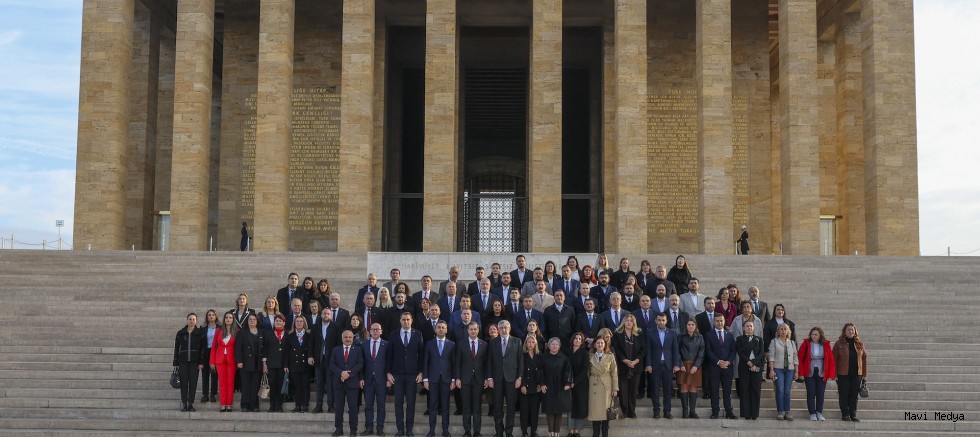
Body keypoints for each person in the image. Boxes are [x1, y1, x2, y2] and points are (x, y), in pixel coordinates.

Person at [389, 311, 424, 437]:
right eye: (404, 319)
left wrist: (421, 372)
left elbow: (421, 355)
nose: (406, 321)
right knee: (398, 403)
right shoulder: (393, 334)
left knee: (411, 403)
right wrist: (388, 372)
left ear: (411, 320)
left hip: (412, 374)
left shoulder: (418, 334)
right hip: (397, 374)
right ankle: (400, 429)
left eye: (408, 319)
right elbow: (390, 355)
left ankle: (409, 429)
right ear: (400, 320)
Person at [489, 320, 523, 437]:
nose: (504, 329)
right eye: (501, 328)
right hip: (497, 379)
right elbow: (489, 361)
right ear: (498, 330)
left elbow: (520, 361)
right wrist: (489, 378)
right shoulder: (493, 342)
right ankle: (499, 432)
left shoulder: (517, 341)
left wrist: (519, 377)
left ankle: (509, 432)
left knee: (511, 407)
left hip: (512, 379)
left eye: (506, 327)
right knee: (497, 407)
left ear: (509, 329)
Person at [455, 322, 489, 437]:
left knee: (477, 407)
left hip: (479, 380)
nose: (473, 331)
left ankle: (477, 431)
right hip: (464, 380)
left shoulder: (484, 344)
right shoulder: (461, 344)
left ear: (478, 330)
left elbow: (486, 364)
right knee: (466, 406)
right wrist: (457, 378)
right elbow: (458, 362)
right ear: (467, 330)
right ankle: (467, 431)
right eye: (471, 329)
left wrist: (486, 378)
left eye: (475, 329)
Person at [423, 320, 456, 437]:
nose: (441, 329)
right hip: (433, 379)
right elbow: (425, 362)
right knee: (432, 406)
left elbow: (454, 363)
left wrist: (453, 379)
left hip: (447, 380)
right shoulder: (429, 344)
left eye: (443, 327)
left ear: (446, 330)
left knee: (446, 406)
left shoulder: (452, 345)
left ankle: (445, 430)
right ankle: (431, 430)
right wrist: (425, 379)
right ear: (435, 329)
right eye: (439, 327)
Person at [644, 313, 680, 419]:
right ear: (656, 321)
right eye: (659, 320)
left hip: (668, 365)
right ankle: (656, 411)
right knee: (655, 390)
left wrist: (676, 364)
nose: (661, 322)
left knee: (668, 390)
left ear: (666, 321)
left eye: (663, 320)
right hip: (655, 365)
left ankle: (667, 411)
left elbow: (675, 350)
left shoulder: (672, 333)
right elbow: (648, 350)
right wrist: (648, 364)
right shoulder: (650, 333)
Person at [798, 327, 836, 421]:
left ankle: (819, 412)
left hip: (822, 372)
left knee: (820, 393)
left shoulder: (825, 345)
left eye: (816, 334)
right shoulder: (806, 344)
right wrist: (801, 373)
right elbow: (800, 358)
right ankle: (812, 413)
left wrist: (831, 374)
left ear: (820, 335)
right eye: (812, 334)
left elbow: (831, 360)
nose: (814, 336)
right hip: (809, 371)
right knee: (811, 393)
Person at [612, 313, 645, 418]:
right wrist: (624, 360)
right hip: (622, 366)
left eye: (631, 321)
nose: (629, 322)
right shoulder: (617, 333)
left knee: (633, 390)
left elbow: (643, 350)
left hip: (636, 366)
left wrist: (636, 361)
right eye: (627, 320)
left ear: (634, 323)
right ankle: (625, 411)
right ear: (624, 322)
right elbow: (615, 349)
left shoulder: (639, 334)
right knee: (623, 390)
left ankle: (632, 411)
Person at [332, 331, 365, 436]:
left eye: (350, 337)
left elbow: (360, 364)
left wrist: (349, 374)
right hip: (338, 382)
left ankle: (353, 430)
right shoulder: (336, 350)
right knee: (339, 407)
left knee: (353, 408)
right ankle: (338, 429)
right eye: (345, 337)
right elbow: (331, 364)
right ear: (342, 338)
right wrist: (341, 373)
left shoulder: (358, 350)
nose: (348, 339)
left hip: (353, 383)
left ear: (352, 338)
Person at [833, 323, 867, 422]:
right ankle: (845, 414)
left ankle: (853, 414)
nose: (851, 331)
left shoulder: (860, 344)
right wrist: (834, 375)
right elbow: (834, 360)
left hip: (857, 374)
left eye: (852, 330)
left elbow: (864, 359)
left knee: (854, 395)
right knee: (844, 394)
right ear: (844, 331)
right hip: (843, 374)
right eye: (848, 330)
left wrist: (864, 375)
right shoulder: (839, 343)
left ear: (855, 331)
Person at [362, 323, 391, 435]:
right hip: (368, 380)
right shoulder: (364, 344)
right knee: (368, 405)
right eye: (372, 329)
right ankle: (369, 427)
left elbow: (389, 362)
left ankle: (380, 428)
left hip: (382, 380)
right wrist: (361, 378)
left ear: (381, 331)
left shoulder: (387, 345)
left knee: (381, 406)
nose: (374, 331)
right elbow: (361, 363)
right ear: (369, 331)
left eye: (377, 329)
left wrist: (389, 378)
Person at [705, 313, 737, 419]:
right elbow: (708, 351)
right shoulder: (709, 335)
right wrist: (718, 361)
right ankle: (715, 412)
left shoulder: (729, 335)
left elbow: (733, 351)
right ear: (714, 322)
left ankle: (729, 411)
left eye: (721, 321)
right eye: (717, 321)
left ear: (724, 322)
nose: (719, 323)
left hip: (727, 367)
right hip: (714, 367)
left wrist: (728, 361)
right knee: (714, 390)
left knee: (727, 391)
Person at [173, 313, 206, 412]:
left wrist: (201, 362)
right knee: (183, 384)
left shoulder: (200, 333)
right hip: (183, 362)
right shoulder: (180, 333)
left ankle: (190, 404)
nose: (192, 321)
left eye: (193, 319)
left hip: (194, 363)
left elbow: (203, 349)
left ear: (196, 321)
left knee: (193, 383)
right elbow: (176, 348)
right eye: (190, 319)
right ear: (187, 320)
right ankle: (184, 404)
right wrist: (175, 362)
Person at [312, 307, 342, 414]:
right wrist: (310, 356)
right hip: (319, 359)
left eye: (328, 314)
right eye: (324, 313)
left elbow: (339, 344)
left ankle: (331, 406)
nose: (326, 315)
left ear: (331, 316)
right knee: (319, 384)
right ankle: (318, 406)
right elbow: (311, 343)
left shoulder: (336, 327)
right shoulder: (315, 327)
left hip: (331, 360)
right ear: (321, 315)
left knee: (330, 384)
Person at [586, 337, 617, 437]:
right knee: (595, 412)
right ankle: (595, 434)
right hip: (594, 384)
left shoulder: (610, 356)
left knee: (605, 413)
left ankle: (605, 434)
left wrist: (615, 388)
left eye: (602, 343)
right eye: (598, 343)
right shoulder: (589, 356)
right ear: (594, 345)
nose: (600, 345)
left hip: (606, 385)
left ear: (605, 345)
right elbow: (586, 372)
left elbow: (614, 373)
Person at [541, 338, 572, 437]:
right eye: (552, 344)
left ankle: (557, 433)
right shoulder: (544, 357)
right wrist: (542, 384)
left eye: (556, 344)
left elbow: (568, 371)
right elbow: (540, 372)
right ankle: (551, 432)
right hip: (548, 385)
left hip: (560, 386)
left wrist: (567, 383)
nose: (554, 346)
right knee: (549, 409)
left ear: (559, 346)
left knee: (559, 410)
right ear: (549, 346)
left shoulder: (564, 358)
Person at [768, 322, 799, 420]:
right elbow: (771, 357)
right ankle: (780, 411)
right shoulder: (774, 341)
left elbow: (795, 357)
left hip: (790, 369)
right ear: (778, 331)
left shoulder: (792, 343)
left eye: (785, 329)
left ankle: (788, 411)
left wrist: (797, 371)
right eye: (781, 329)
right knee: (780, 390)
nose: (783, 331)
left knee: (787, 391)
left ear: (788, 331)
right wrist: (771, 370)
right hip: (778, 369)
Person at [736, 321, 764, 420]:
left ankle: (755, 413)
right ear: (743, 328)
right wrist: (748, 361)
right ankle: (746, 413)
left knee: (756, 390)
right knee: (745, 389)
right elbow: (740, 352)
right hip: (744, 366)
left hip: (756, 367)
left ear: (754, 327)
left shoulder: (759, 339)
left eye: (751, 326)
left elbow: (761, 353)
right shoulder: (739, 339)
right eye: (747, 326)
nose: (749, 328)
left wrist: (754, 363)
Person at [235, 313, 263, 412]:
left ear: (257, 321)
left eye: (254, 319)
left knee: (255, 385)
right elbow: (238, 348)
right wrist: (239, 361)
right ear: (247, 321)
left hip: (258, 363)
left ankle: (254, 405)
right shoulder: (242, 333)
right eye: (250, 319)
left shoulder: (261, 332)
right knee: (246, 385)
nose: (252, 321)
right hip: (245, 363)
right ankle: (245, 405)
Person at [285, 315, 313, 413]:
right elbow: (286, 351)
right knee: (297, 386)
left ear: (304, 323)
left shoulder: (309, 336)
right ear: (294, 323)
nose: (299, 323)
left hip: (305, 365)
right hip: (294, 365)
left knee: (305, 385)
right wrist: (286, 365)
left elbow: (311, 349)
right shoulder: (290, 335)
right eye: (297, 321)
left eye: (301, 321)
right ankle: (297, 405)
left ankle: (304, 405)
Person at [211, 311, 238, 412]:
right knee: (222, 383)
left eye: (230, 317)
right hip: (219, 360)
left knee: (230, 383)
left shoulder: (237, 331)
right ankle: (223, 404)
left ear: (233, 319)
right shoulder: (219, 330)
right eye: (226, 317)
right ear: (224, 319)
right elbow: (214, 346)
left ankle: (229, 404)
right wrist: (212, 361)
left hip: (231, 360)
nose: (228, 319)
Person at [677, 319, 704, 419]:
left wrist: (696, 365)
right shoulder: (680, 336)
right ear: (686, 326)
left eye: (693, 324)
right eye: (689, 324)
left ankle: (692, 411)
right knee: (684, 387)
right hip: (683, 365)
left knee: (693, 387)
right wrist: (680, 364)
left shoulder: (700, 337)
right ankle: (685, 411)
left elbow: (702, 352)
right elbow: (677, 351)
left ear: (696, 326)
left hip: (695, 366)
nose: (691, 326)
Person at [262, 314, 289, 412]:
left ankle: (279, 406)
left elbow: (288, 351)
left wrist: (286, 365)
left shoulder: (287, 334)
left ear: (284, 323)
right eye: (277, 321)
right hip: (271, 364)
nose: (278, 322)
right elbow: (264, 349)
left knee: (281, 385)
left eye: (280, 321)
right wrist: (264, 364)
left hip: (283, 365)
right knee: (273, 385)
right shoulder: (268, 334)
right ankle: (272, 405)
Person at [519, 336, 544, 437]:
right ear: (525, 343)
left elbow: (542, 372)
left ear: (535, 344)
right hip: (525, 386)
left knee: (534, 410)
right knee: (524, 410)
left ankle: (533, 431)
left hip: (536, 386)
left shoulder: (539, 356)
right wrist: (523, 385)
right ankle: (524, 431)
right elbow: (520, 371)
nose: (530, 344)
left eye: (532, 342)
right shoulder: (522, 355)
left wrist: (540, 384)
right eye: (528, 342)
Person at [567, 333, 589, 437]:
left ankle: (577, 431)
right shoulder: (567, 352)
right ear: (572, 340)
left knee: (580, 406)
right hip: (568, 383)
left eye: (580, 339)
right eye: (575, 338)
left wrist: (574, 382)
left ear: (582, 341)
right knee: (570, 406)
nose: (577, 340)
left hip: (581, 383)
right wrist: (568, 382)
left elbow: (585, 370)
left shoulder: (585, 353)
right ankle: (571, 430)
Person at [199, 309, 219, 404]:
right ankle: (205, 394)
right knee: (205, 374)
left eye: (213, 315)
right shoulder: (202, 328)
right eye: (209, 315)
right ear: (207, 317)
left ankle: (213, 394)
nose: (211, 316)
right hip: (206, 351)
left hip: (216, 352)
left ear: (216, 316)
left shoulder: (220, 327)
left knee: (214, 374)